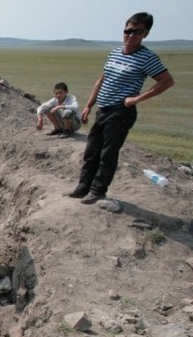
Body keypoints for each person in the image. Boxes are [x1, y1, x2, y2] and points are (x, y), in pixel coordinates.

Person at [66, 12, 174, 205]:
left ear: (145, 34)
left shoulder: (146, 57)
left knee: (108, 153)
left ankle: (98, 191)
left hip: (120, 112)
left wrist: (137, 99)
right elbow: (102, 80)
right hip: (103, 109)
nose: (131, 35)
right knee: (92, 151)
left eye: (137, 31)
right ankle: (83, 188)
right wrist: (89, 105)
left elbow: (166, 81)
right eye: (128, 30)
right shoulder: (115, 52)